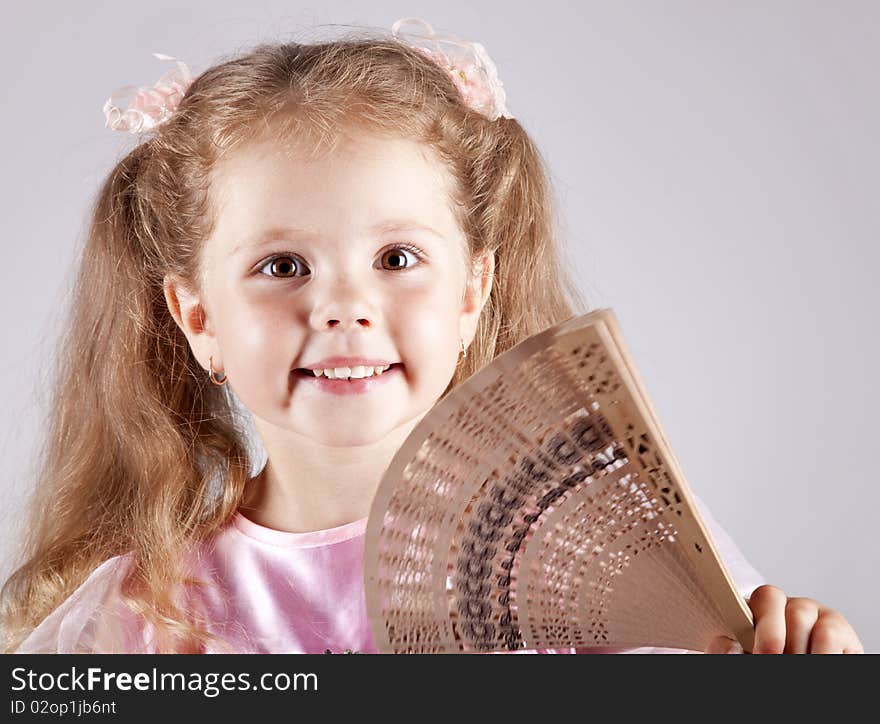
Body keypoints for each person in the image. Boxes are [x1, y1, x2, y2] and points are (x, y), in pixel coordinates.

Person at [0, 18, 862, 655]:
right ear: (199, 320)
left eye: (398, 256)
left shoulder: (626, 545)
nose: (343, 307)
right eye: (282, 266)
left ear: (472, 291)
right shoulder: (147, 616)